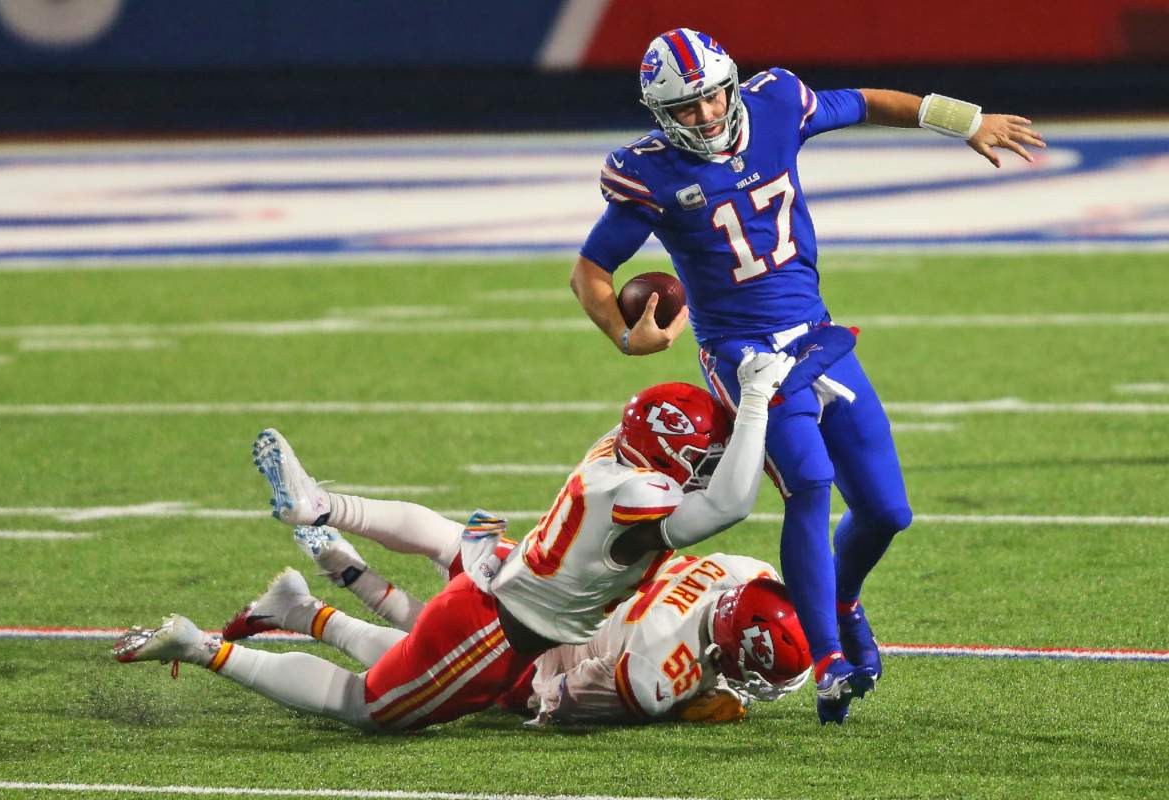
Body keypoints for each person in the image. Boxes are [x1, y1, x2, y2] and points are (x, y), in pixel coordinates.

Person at [568, 28, 1046, 724]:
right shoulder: (651, 174)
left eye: (709, 100)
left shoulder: (776, 104)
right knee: (811, 484)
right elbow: (590, 269)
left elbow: (866, 102)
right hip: (742, 354)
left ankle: (843, 601)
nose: (703, 118)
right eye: (685, 110)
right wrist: (623, 332)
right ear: (659, 115)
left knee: (887, 511)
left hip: (818, 336)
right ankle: (828, 660)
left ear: (729, 86)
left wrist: (964, 120)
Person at [114, 359, 797, 732]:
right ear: (670, 454)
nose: (708, 467)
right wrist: (759, 399)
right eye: (700, 455)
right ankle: (202, 645)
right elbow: (732, 499)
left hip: (501, 578)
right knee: (364, 706)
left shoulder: (614, 455)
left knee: (438, 551)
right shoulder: (645, 502)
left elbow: (714, 474)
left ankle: (323, 514)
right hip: (500, 631)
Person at [219, 521, 811, 726]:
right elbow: (564, 700)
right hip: (540, 646)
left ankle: (311, 591)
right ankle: (326, 574)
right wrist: (682, 704)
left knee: (433, 620)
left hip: (552, 571)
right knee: (393, 693)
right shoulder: (659, 673)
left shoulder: (742, 571)